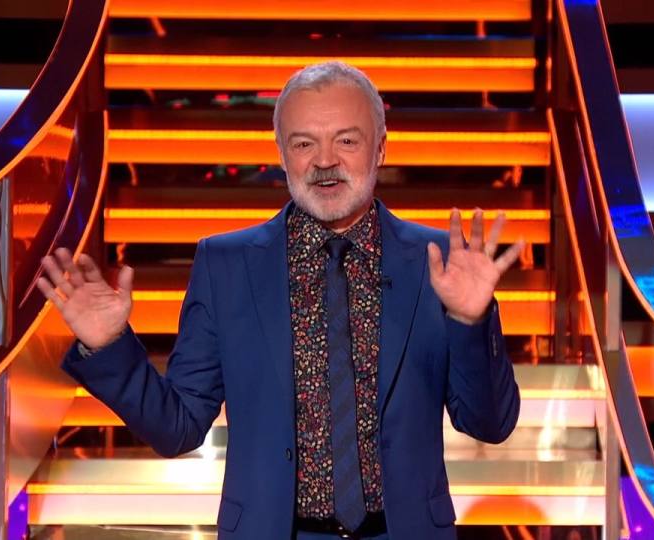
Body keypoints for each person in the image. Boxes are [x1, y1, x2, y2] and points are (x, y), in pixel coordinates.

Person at [36, 60, 524, 540]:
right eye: (304, 143)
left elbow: (490, 423)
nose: (325, 161)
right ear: (282, 153)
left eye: (347, 141)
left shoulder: (438, 264)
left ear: (380, 149)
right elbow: (177, 428)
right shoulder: (225, 265)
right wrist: (110, 346)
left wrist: (469, 318)